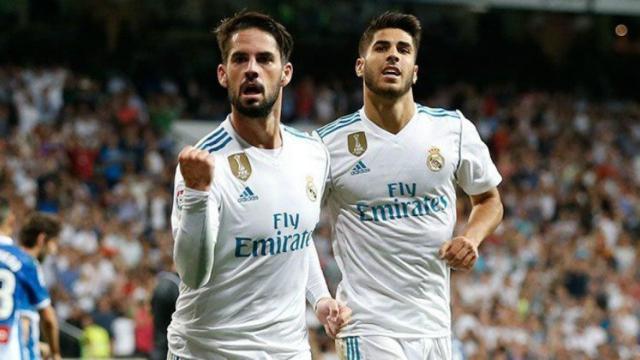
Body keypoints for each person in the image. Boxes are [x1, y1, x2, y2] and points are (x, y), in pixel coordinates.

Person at [315, 12, 503, 359]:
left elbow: (489, 199)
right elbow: (297, 228)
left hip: (434, 327)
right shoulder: (328, 144)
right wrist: (319, 297)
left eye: (403, 49)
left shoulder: (453, 129)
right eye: (381, 47)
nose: (393, 55)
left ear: (414, 71)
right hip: (367, 326)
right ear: (360, 65)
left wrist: (471, 238)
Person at [168, 11, 350, 359]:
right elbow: (191, 273)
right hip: (209, 351)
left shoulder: (312, 153)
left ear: (286, 73)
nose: (252, 68)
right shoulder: (204, 163)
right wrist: (196, 195)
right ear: (224, 75)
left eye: (265, 59)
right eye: (240, 59)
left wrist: (321, 298)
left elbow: (296, 235)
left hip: (289, 351)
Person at [0, 212, 62, 360]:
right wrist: (56, 353)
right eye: (54, 243)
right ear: (42, 239)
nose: (55, 250)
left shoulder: (6, 261)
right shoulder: (26, 264)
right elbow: (47, 318)